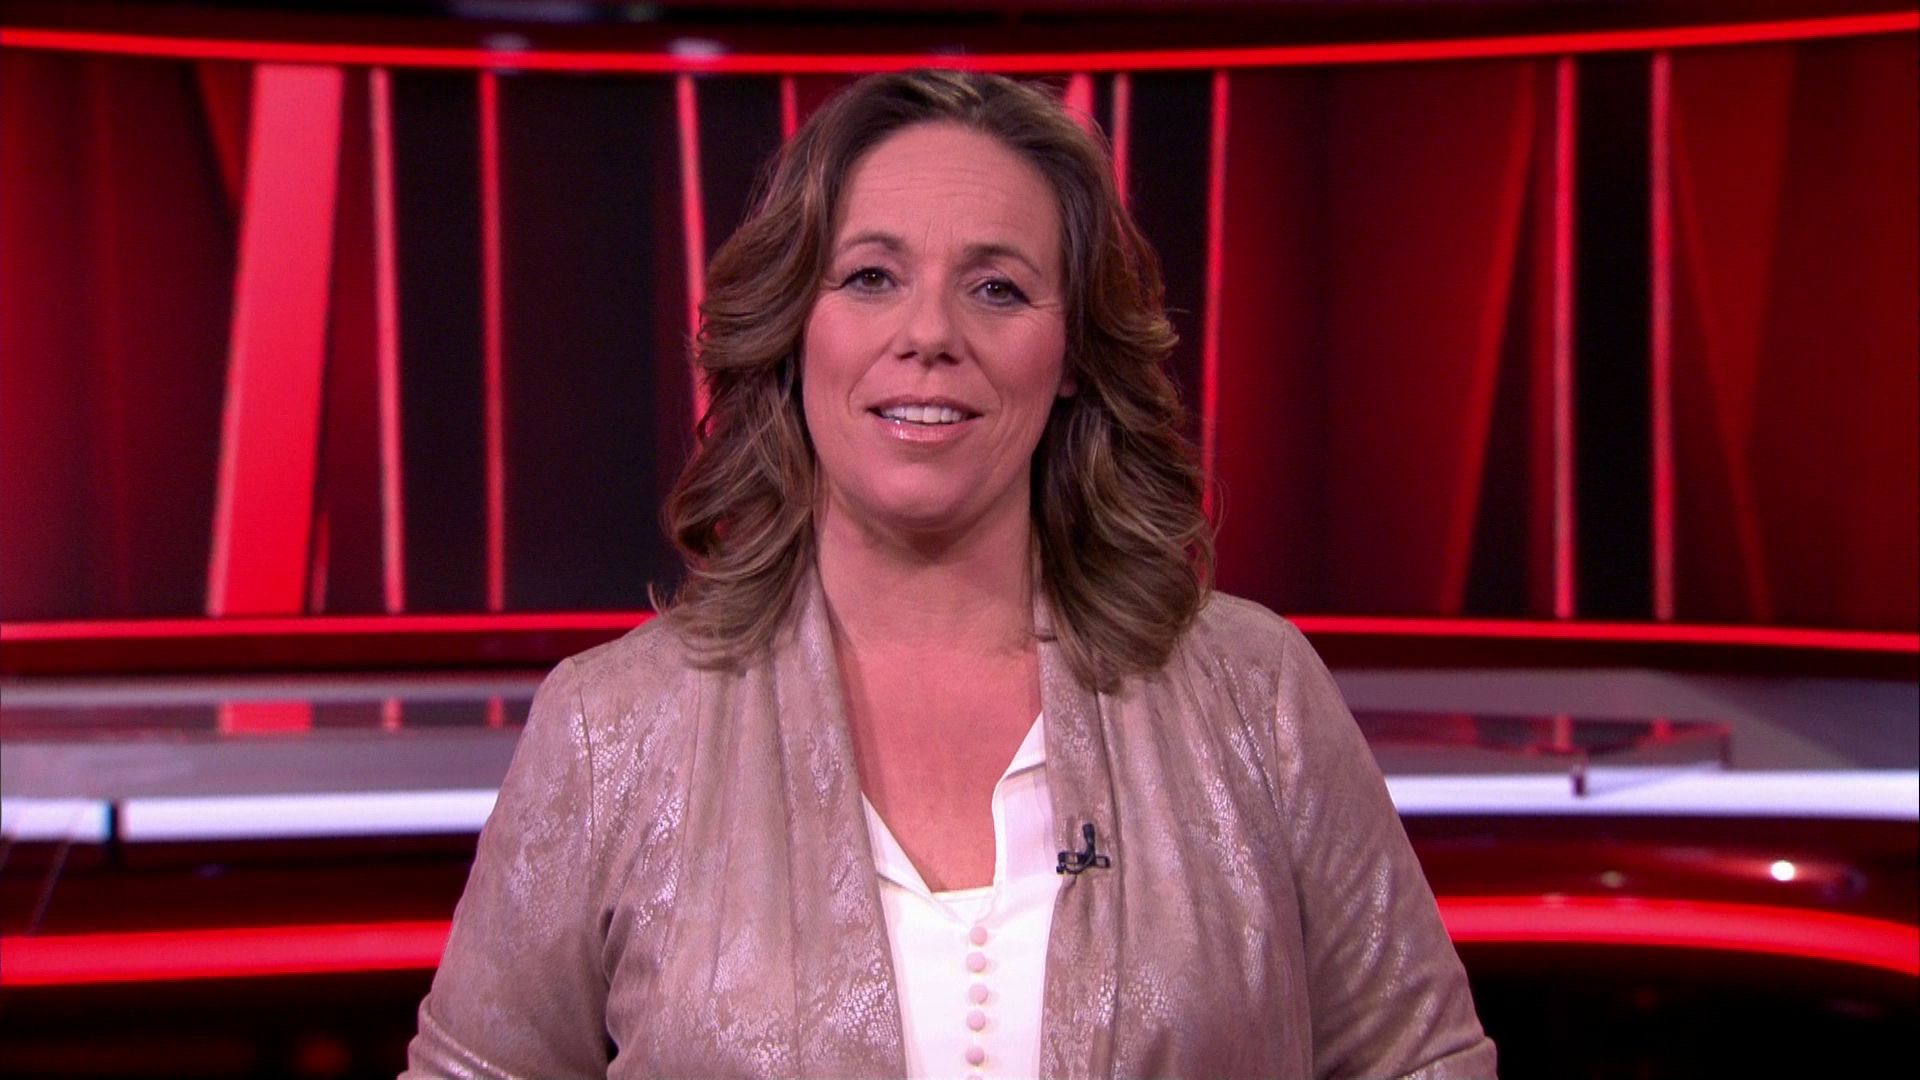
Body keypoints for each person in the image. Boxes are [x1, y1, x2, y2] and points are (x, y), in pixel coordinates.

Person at [405, 69, 1495, 1079]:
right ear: (794, 329)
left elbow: (1422, 1062)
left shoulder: (1255, 697)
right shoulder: (611, 731)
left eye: (998, 289)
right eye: (871, 277)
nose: (929, 333)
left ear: (1072, 357)